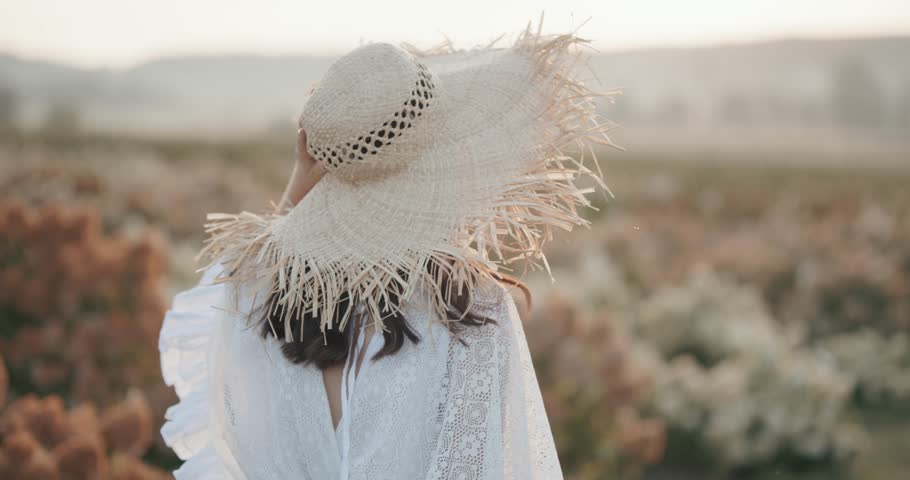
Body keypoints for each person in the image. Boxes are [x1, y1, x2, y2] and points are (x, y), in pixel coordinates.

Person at [159, 23, 617, 480]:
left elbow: (219, 297)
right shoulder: (468, 314)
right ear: (443, 162)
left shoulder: (253, 301)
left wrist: (299, 191)